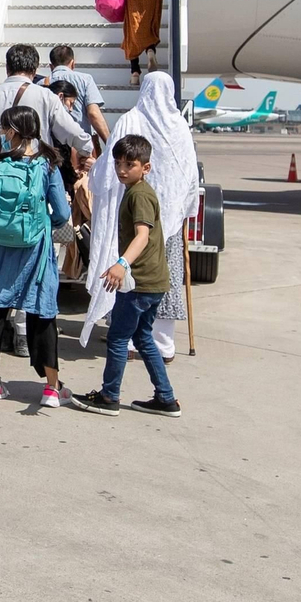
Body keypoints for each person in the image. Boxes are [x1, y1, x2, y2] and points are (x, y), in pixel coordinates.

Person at [80, 72, 199, 362]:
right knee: (163, 278)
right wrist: (186, 206)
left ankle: (134, 340)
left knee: (136, 275)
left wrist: (94, 173)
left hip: (135, 210)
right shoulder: (179, 125)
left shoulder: (131, 120)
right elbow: (190, 173)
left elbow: (111, 163)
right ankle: (164, 344)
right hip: (166, 218)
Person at [0, 105, 71, 407]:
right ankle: (51, 388)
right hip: (34, 252)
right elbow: (62, 213)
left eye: (3, 127)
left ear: (12, 130)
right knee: (41, 312)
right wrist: (41, 224)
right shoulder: (47, 165)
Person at [72, 134, 182, 417]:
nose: (122, 169)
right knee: (143, 336)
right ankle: (166, 398)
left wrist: (121, 263)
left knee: (119, 338)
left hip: (141, 282)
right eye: (118, 163)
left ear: (145, 168)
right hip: (154, 281)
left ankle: (109, 396)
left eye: (129, 164)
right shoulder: (136, 190)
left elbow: (142, 235)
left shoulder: (140, 195)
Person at [47, 44, 110, 146]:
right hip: (80, 145)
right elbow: (93, 113)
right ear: (73, 63)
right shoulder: (85, 79)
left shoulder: (41, 83)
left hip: (52, 146)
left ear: (51, 66)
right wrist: (109, 142)